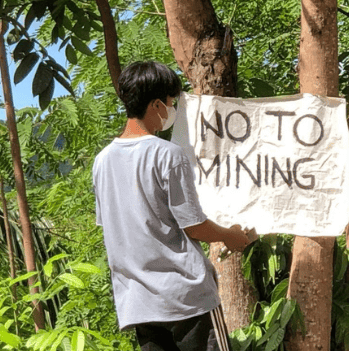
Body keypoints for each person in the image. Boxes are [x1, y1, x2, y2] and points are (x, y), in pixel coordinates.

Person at [92, 61, 250, 351]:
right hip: (186, 298)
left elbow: (113, 228)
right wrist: (231, 236)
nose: (171, 109)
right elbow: (194, 226)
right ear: (156, 104)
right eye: (170, 102)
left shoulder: (102, 161)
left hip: (138, 303)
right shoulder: (167, 155)